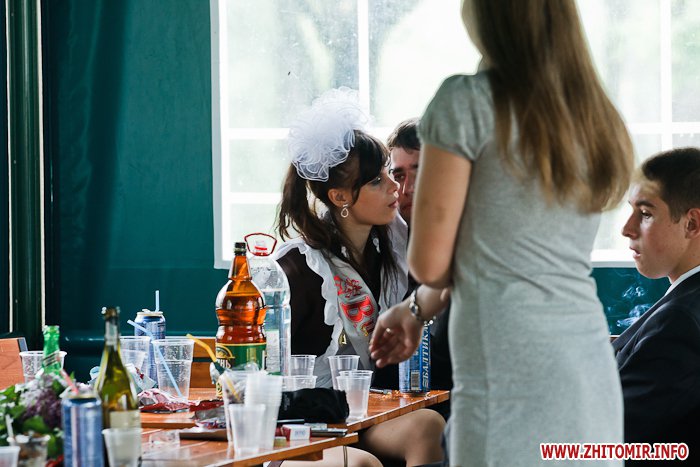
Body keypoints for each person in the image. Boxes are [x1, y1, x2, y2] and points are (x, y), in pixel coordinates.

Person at [369, 1, 634, 465]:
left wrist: (417, 299)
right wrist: (414, 310)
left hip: (508, 373)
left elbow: (430, 263)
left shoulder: (465, 100)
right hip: (589, 371)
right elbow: (504, 254)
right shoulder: (589, 112)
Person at [275, 88, 445, 466]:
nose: (395, 186)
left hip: (357, 416)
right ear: (340, 198)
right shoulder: (297, 268)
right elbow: (251, 370)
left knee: (429, 426)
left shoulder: (390, 247)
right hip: (299, 430)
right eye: (377, 181)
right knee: (362, 464)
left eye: (388, 174)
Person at [614, 147, 700, 462]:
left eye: (646, 213)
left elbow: (608, 438)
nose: (627, 228)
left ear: (692, 224)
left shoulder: (678, 322)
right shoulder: (683, 304)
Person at [387, 118, 453, 420]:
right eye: (398, 175)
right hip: (395, 405)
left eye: (421, 171)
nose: (408, 188)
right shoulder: (382, 243)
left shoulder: (470, 241)